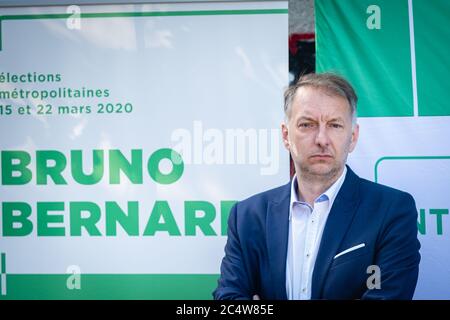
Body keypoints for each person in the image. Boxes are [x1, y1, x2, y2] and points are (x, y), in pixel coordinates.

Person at [213, 73, 420, 300]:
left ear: (353, 137)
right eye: (307, 124)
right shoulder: (247, 216)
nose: (322, 139)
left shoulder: (391, 211)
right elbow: (228, 297)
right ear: (285, 135)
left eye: (334, 125)